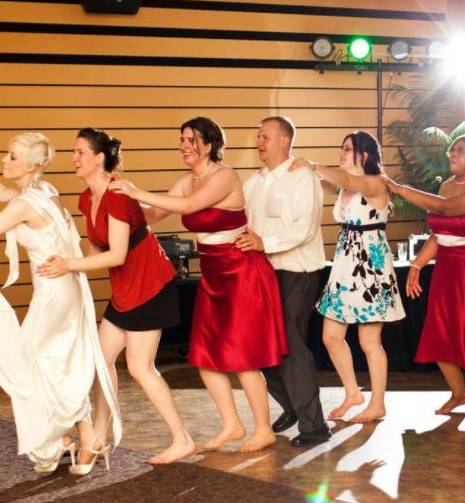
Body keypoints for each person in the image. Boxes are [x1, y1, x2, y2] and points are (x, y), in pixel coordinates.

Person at [113, 117, 288, 450]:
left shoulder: (224, 176)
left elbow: (191, 207)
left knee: (243, 358)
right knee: (205, 356)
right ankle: (232, 425)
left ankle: (263, 429)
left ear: (209, 145)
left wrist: (137, 191)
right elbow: (152, 216)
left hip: (241, 271)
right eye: (181, 140)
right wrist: (122, 202)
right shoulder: (184, 182)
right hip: (213, 273)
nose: (183, 146)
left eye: (190, 139)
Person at [38, 128, 195, 464]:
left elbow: (117, 255)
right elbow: (97, 248)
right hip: (126, 289)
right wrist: (66, 248)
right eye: (74, 152)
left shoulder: (118, 195)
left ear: (99, 158)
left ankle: (182, 439)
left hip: (151, 286)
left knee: (140, 367)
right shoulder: (85, 198)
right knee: (100, 362)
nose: (74, 158)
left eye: (80, 152)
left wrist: (69, 264)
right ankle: (96, 438)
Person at [0, 132, 120, 474]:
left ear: (33, 164)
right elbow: (8, 191)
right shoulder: (42, 190)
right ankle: (79, 437)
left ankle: (61, 440)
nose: (4, 162)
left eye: (11, 157)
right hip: (61, 287)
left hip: (55, 290)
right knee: (49, 365)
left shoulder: (25, 203)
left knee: (29, 365)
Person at [382, 135, 465, 416]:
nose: (451, 154)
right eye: (451, 150)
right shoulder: (446, 186)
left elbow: (445, 209)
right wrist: (417, 266)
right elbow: (439, 234)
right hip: (447, 269)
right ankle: (459, 394)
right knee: (439, 332)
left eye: (459, 151)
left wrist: (398, 188)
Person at [292, 130, 405, 424]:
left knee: (369, 340)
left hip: (370, 265)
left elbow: (346, 181)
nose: (341, 154)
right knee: (331, 336)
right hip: (345, 262)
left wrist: (313, 165)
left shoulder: (374, 182)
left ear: (364, 154)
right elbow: (327, 184)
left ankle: (377, 403)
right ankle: (353, 392)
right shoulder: (342, 185)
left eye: (346, 149)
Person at [236, 116, 330, 447]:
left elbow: (305, 228)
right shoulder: (254, 181)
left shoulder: (302, 176)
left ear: (285, 141)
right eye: (258, 136)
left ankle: (315, 426)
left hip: (297, 272)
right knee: (259, 350)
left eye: (265, 136)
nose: (259, 141)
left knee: (290, 348)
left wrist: (265, 243)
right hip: (261, 274)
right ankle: (291, 406)